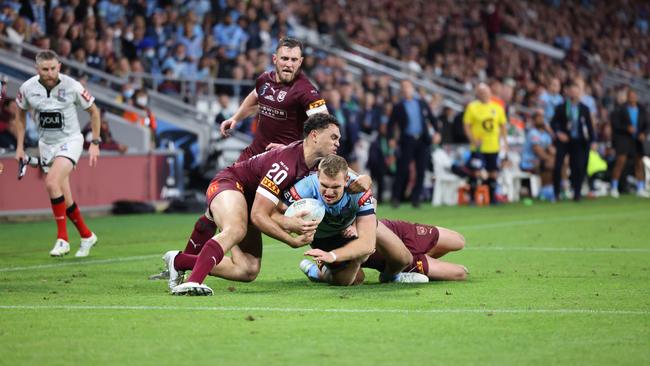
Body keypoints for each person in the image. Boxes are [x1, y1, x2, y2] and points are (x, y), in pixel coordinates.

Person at [164, 114, 343, 296]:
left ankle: (179, 261)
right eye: (333, 137)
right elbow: (258, 216)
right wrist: (291, 239)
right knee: (235, 229)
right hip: (231, 184)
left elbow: (344, 173)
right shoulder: (286, 164)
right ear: (314, 135)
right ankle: (193, 282)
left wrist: (289, 220)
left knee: (247, 269)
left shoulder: (313, 166)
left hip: (251, 202)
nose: (337, 143)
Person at [280, 154, 426, 286]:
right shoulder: (303, 188)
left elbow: (368, 241)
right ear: (318, 176)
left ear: (346, 180)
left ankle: (389, 278)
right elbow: (277, 213)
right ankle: (317, 271)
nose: (329, 192)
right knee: (350, 280)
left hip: (352, 227)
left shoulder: (358, 187)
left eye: (335, 187)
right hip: (325, 237)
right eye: (324, 185)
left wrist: (333, 255)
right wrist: (291, 224)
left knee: (404, 259)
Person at [14, 50, 100, 257]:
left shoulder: (72, 86)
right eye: (45, 69)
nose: (50, 73)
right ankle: (87, 236)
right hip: (46, 145)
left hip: (70, 141)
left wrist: (95, 142)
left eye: (53, 68)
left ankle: (63, 239)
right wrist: (19, 146)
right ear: (37, 69)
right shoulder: (27, 88)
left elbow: (94, 112)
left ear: (59, 66)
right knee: (64, 195)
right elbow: (19, 115)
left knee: (52, 182)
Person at [219, 37, 328, 161]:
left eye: (294, 60)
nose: (289, 64)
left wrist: (294, 149)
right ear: (275, 59)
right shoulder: (264, 79)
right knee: (222, 180)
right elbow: (254, 98)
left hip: (283, 161)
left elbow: (326, 128)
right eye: (284, 58)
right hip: (254, 154)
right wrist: (235, 118)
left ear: (300, 62)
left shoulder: (306, 91)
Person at [301, 216, 467, 283]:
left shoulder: (351, 188)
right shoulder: (323, 234)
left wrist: (357, 225)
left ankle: (425, 259)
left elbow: (370, 201)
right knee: (461, 273)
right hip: (390, 257)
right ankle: (318, 272)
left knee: (458, 241)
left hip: (400, 231)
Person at [389, 79, 436, 208]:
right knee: (402, 169)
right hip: (407, 140)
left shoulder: (421, 103)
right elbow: (391, 124)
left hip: (422, 140)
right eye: (403, 87)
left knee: (421, 170)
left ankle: (416, 199)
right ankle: (396, 198)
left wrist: (437, 132)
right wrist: (391, 138)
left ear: (412, 88)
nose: (405, 89)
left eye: (407, 86)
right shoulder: (398, 106)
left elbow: (432, 118)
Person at [463, 83, 508, 204]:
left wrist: (504, 142)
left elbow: (503, 126)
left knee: (493, 172)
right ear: (477, 94)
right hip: (478, 146)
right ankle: (473, 198)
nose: (484, 94)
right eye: (481, 92)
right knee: (475, 171)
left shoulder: (498, 107)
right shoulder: (472, 107)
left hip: (493, 145)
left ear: (490, 93)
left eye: (486, 92)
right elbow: (467, 125)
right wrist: (472, 140)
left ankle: (492, 198)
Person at [551, 82, 595, 202]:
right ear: (568, 92)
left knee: (579, 167)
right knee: (558, 165)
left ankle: (577, 192)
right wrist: (559, 133)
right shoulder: (561, 107)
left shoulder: (584, 109)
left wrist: (592, 140)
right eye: (572, 90)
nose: (574, 93)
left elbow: (589, 126)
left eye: (576, 90)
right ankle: (556, 193)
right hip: (564, 141)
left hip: (579, 141)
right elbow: (553, 123)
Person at [609, 89, 648, 198]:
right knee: (620, 161)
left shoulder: (642, 109)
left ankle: (640, 188)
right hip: (624, 139)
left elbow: (647, 125)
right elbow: (616, 125)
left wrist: (643, 133)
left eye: (634, 95)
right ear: (627, 97)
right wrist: (627, 128)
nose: (632, 98)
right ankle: (614, 187)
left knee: (639, 163)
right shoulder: (621, 109)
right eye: (630, 96)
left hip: (637, 140)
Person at [520, 109, 555, 201]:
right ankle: (544, 190)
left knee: (559, 162)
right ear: (534, 121)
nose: (542, 120)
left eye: (543, 118)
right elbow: (538, 150)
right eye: (539, 118)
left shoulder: (546, 134)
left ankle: (558, 188)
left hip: (540, 160)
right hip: (529, 161)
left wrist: (557, 158)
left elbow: (551, 150)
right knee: (549, 163)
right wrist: (549, 159)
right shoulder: (533, 133)